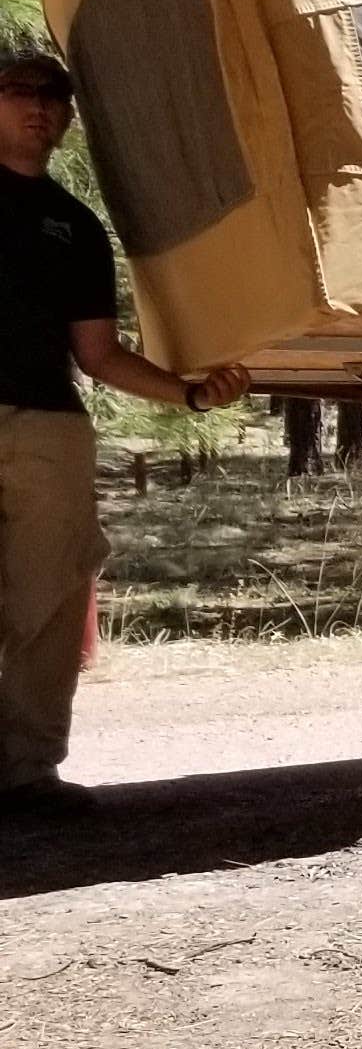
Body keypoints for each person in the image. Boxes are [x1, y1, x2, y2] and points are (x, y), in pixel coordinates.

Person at [1, 51, 247, 816]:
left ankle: (26, 775)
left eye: (54, 97)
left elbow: (98, 354)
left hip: (48, 427)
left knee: (47, 599)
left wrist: (190, 395)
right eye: (18, 92)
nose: (38, 107)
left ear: (69, 118)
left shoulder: (73, 226)